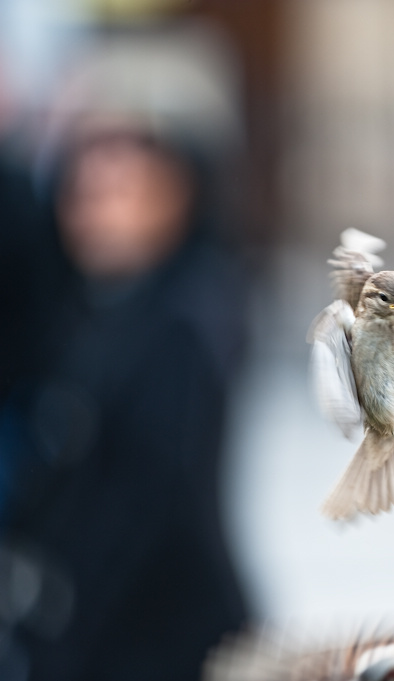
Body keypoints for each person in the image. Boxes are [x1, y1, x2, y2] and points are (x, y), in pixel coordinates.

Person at [0, 128, 249, 680]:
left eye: (119, 193)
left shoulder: (186, 317)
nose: (93, 213)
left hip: (159, 625)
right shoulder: (92, 307)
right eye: (82, 194)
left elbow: (154, 493)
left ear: (172, 200)